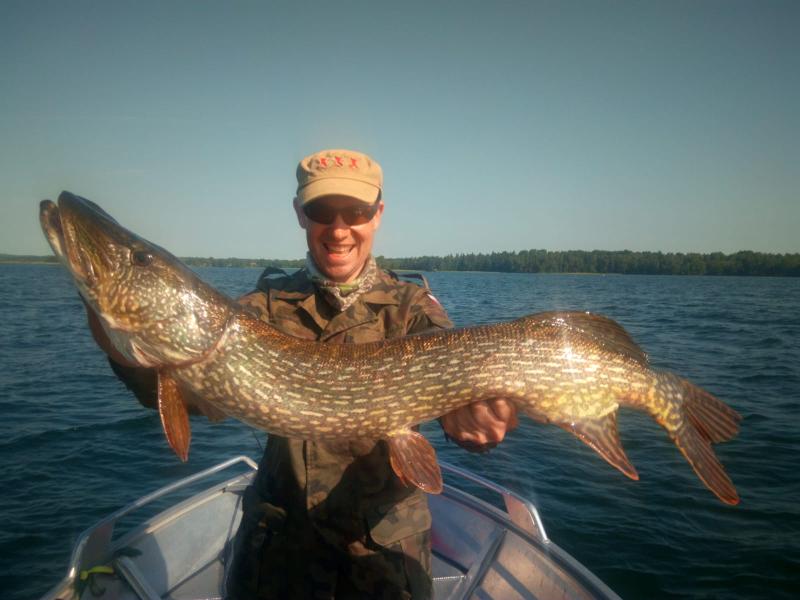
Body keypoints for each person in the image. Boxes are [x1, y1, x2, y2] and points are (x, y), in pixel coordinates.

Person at [85, 148, 518, 599]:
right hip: (280, 557)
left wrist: (473, 423)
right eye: (322, 211)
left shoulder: (413, 308)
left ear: (377, 215)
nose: (339, 229)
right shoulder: (261, 309)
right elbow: (181, 392)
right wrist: (109, 317)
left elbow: (460, 392)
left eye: (356, 212)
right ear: (300, 214)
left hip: (385, 561)